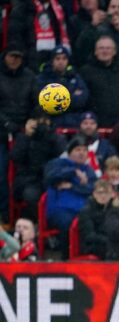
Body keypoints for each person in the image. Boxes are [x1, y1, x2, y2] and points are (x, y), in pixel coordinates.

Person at [0, 44, 39, 221]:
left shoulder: (29, 77)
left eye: (18, 57)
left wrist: (31, 120)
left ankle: (21, 216)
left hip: (24, 132)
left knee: (23, 173)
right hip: (3, 131)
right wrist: (6, 122)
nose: (15, 60)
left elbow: (36, 101)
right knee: (2, 174)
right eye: (11, 56)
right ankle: (5, 214)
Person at [44, 136, 97, 258]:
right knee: (68, 223)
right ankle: (66, 258)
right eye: (78, 150)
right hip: (60, 210)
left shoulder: (89, 171)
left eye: (84, 150)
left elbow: (93, 189)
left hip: (83, 210)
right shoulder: (58, 164)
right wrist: (73, 171)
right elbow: (50, 178)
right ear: (70, 152)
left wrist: (72, 187)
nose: (81, 153)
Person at [10, 114, 66, 221]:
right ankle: (41, 223)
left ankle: (49, 223)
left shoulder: (57, 138)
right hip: (28, 180)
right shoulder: (24, 137)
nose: (42, 124)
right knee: (30, 195)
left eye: (45, 121)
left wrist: (51, 136)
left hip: (50, 179)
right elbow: (16, 158)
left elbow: (62, 158)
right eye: (38, 121)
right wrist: (27, 136)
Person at [80, 35, 119, 127]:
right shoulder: (86, 72)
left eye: (108, 48)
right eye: (101, 48)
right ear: (95, 51)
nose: (105, 51)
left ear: (114, 51)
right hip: (94, 124)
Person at [73, 0, 119, 70]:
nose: (116, 10)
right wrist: (92, 26)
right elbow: (81, 47)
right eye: (113, 7)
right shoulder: (98, 29)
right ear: (108, 9)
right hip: (101, 71)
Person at [36, 46, 89, 126]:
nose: (61, 62)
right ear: (52, 60)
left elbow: (82, 100)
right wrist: (71, 96)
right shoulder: (43, 78)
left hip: (73, 123)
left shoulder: (75, 77)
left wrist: (56, 98)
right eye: (57, 58)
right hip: (51, 124)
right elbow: (44, 102)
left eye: (64, 58)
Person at [77, 180, 115, 259]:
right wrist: (109, 240)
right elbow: (89, 236)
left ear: (111, 194)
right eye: (100, 193)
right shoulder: (86, 211)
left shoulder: (114, 209)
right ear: (94, 194)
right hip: (92, 245)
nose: (103, 196)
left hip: (109, 241)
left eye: (106, 193)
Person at [78, 111, 116, 177]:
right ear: (80, 125)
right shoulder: (73, 145)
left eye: (92, 123)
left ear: (97, 125)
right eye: (85, 123)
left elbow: (113, 165)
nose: (88, 126)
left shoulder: (106, 145)